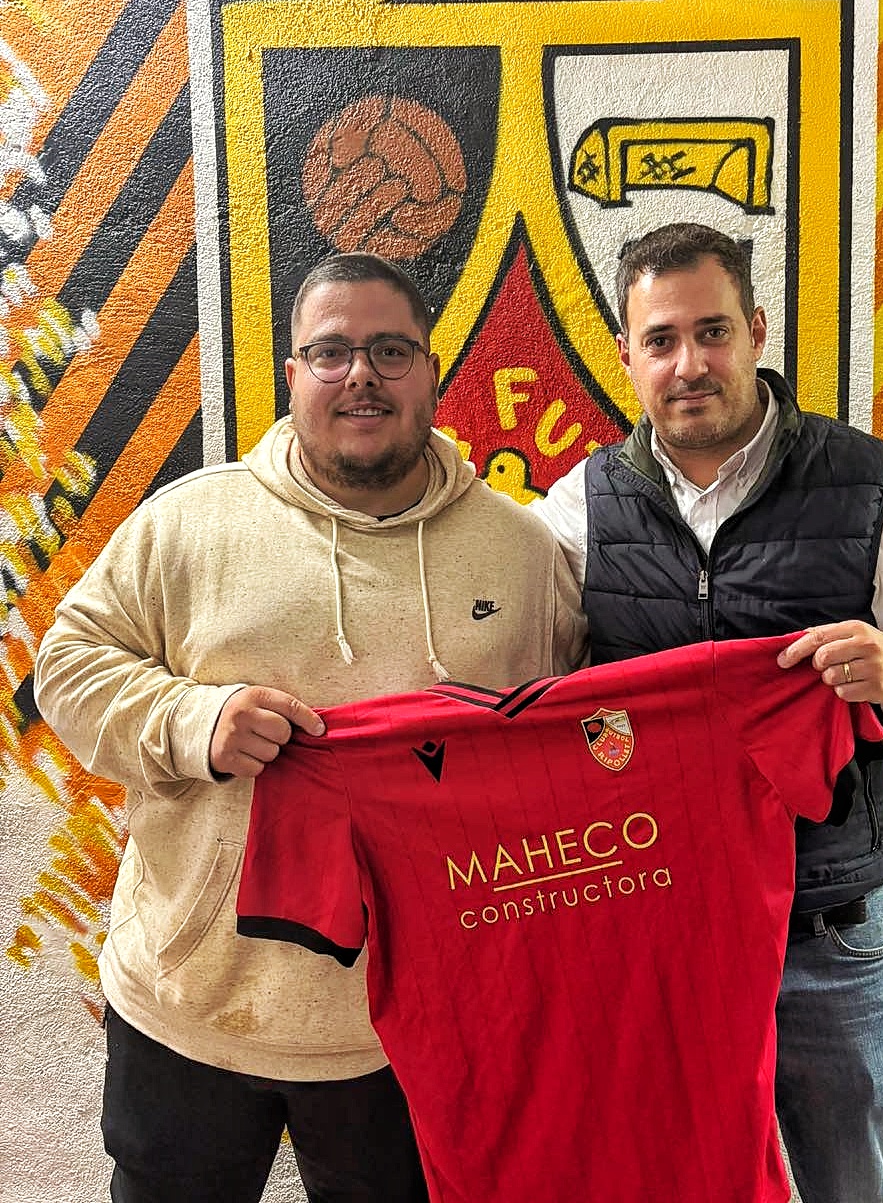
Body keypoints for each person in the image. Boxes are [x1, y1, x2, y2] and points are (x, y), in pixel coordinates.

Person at [34, 251, 586, 1203]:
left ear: (432, 371)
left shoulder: (522, 552)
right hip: (191, 1006)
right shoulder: (189, 524)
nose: (361, 374)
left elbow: (565, 750)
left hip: (414, 1028)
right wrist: (192, 719)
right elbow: (67, 668)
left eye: (389, 351)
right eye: (331, 352)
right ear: (293, 375)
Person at [534, 222, 883, 1203]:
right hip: (657, 934)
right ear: (625, 355)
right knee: (671, 1181)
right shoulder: (580, 506)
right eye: (661, 340)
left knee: (849, 1186)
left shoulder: (868, 482)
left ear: (755, 330)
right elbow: (509, 674)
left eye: (711, 332)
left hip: (830, 935)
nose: (688, 364)